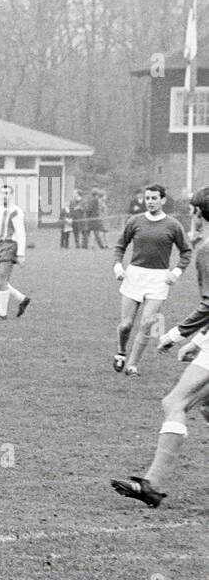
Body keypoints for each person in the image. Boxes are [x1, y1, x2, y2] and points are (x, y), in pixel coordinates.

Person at [112, 189, 209, 507]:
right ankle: (151, 483)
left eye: (192, 210)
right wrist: (198, 340)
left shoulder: (206, 249)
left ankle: (152, 484)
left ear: (197, 213)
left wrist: (179, 335)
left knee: (175, 402)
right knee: (203, 407)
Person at [112, 184, 192, 376]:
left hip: (158, 279)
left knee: (147, 324)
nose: (150, 202)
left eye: (154, 198)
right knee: (126, 325)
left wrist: (176, 273)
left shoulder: (173, 225)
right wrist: (117, 266)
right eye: (148, 198)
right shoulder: (135, 221)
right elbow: (120, 246)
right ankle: (121, 351)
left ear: (162, 200)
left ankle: (132, 365)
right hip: (134, 275)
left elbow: (186, 252)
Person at [0, 183, 32, 320]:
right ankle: (22, 299)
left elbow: (21, 234)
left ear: (11, 195)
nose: (4, 196)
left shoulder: (16, 212)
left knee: (3, 281)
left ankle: (2, 313)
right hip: (0, 245)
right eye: (2, 193)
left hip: (11, 246)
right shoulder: (0, 210)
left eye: (7, 193)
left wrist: (21, 254)